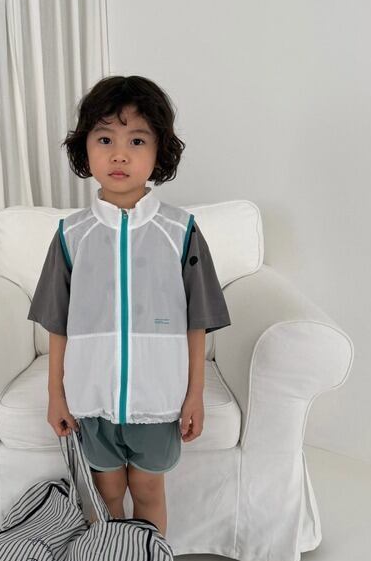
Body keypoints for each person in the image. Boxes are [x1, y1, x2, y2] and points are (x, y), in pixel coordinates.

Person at [27, 75, 231, 537]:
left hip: (158, 401)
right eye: (105, 139)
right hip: (91, 400)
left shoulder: (180, 231)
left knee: (148, 490)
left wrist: (194, 394)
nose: (119, 154)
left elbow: (197, 322)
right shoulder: (71, 235)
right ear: (85, 149)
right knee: (106, 493)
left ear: (160, 152)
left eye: (137, 140)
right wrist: (56, 394)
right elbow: (57, 324)